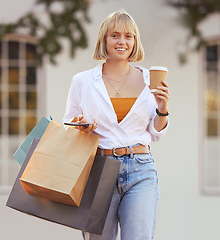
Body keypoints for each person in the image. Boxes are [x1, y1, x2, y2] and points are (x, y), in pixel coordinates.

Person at [63, 9, 170, 240]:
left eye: (128, 36)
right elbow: (69, 127)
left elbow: (155, 132)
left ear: (135, 42)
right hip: (100, 170)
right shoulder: (82, 82)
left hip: (141, 168)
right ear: (104, 40)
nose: (122, 41)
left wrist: (162, 107)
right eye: (115, 35)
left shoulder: (148, 79)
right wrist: (80, 126)